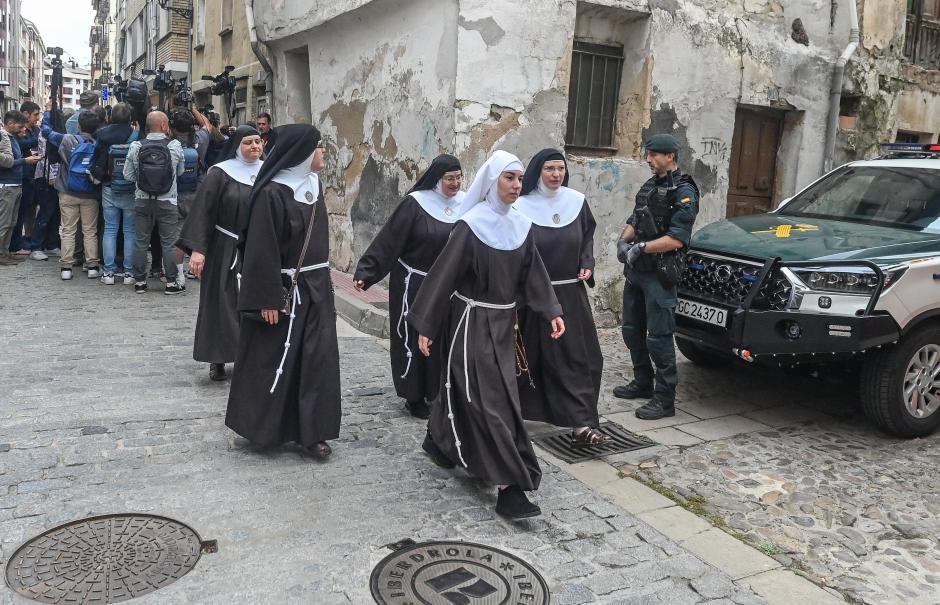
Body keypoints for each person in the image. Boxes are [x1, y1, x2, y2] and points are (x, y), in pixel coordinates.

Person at [407, 150, 565, 519]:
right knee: (491, 400)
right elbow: (442, 275)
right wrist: (426, 325)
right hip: (471, 323)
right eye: (508, 178)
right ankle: (511, 486)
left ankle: (441, 441)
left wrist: (552, 310)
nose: (516, 185)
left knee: (474, 392)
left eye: (520, 178)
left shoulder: (521, 225)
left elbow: (534, 274)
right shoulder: (471, 224)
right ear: (492, 182)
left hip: (505, 324)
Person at [225, 124, 341, 459]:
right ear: (302, 153)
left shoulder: (314, 185)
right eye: (318, 147)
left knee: (317, 360)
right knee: (274, 359)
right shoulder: (272, 194)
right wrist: (267, 297)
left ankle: (312, 431)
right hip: (283, 289)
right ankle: (263, 427)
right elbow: (260, 249)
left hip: (317, 289)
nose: (322, 153)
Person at [352, 154, 466, 419]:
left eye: (459, 178)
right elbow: (390, 240)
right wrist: (367, 271)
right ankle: (413, 396)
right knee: (413, 339)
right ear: (437, 179)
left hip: (447, 286)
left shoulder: (466, 204)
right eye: (450, 178)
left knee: (441, 340)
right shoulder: (415, 205)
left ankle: (438, 391)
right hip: (413, 283)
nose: (455, 183)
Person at [514, 149, 606, 444]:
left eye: (560, 169)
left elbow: (587, 236)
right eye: (549, 169)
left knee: (584, 359)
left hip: (570, 294)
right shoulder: (521, 207)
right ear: (537, 173)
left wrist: (587, 262)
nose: (556, 175)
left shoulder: (576, 202)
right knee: (532, 361)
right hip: (533, 298)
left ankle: (582, 423)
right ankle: (513, 416)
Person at [615, 134, 700, 420]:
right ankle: (642, 382)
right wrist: (623, 242)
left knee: (659, 337)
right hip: (637, 272)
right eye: (648, 155)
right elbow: (635, 218)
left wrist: (642, 247)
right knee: (631, 330)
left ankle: (665, 399)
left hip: (660, 274)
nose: (649, 160)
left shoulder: (684, 191)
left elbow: (677, 238)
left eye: (653, 155)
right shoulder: (651, 185)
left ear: (670, 157)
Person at [177, 126, 263, 381]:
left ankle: (252, 357)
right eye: (248, 142)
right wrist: (198, 251)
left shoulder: (268, 173)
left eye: (258, 141)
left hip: (256, 248)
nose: (255, 146)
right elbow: (203, 212)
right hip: (224, 247)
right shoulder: (220, 174)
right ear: (237, 146)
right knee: (221, 305)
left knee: (256, 303)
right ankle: (218, 357)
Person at [123, 111, 186, 295]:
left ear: (147, 126)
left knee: (141, 242)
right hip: (168, 200)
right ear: (165, 126)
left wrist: (141, 182)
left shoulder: (136, 146)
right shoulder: (174, 146)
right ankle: (172, 282)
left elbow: (127, 175)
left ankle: (141, 281)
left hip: (142, 200)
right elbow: (180, 172)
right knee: (168, 242)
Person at [91, 103, 139, 285]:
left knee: (110, 229)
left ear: (110, 117)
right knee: (129, 230)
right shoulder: (135, 135)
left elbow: (96, 159)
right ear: (129, 119)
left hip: (109, 186)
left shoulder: (102, 135)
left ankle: (109, 272)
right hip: (130, 187)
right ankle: (128, 272)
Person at [53, 110, 105, 279]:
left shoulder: (68, 139)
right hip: (89, 192)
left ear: (78, 125)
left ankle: (66, 268)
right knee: (90, 231)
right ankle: (92, 266)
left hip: (68, 190)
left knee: (68, 230)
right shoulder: (98, 143)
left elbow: (61, 156)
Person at [0, 111, 41, 266]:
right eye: (19, 125)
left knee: (11, 221)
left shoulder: (12, 137)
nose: (22, 128)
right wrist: (23, 161)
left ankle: (6, 251)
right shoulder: (3, 136)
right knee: (4, 222)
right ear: (10, 123)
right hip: (6, 185)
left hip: (15, 184)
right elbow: (7, 161)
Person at [9, 101, 44, 259]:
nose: (37, 118)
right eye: (35, 115)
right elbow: (20, 145)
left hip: (32, 176)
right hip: (21, 177)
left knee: (28, 211)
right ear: (25, 114)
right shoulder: (15, 134)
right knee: (17, 214)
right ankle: (13, 246)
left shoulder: (35, 129)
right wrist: (40, 139)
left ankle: (24, 240)